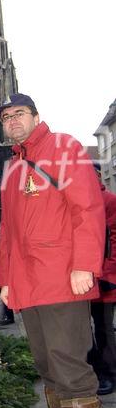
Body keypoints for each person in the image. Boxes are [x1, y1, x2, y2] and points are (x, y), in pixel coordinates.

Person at [0, 93, 105, 408]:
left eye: (19, 113)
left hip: (62, 277)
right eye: (6, 117)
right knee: (46, 365)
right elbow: (10, 230)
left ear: (36, 117)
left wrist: (84, 264)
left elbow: (87, 209)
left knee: (69, 366)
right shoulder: (13, 165)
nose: (12, 121)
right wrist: (6, 280)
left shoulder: (64, 147)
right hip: (27, 283)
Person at [88, 163, 116, 395]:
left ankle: (109, 374)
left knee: (104, 330)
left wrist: (108, 273)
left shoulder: (108, 200)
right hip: (82, 280)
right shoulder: (79, 197)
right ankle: (96, 371)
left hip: (105, 281)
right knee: (82, 331)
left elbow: (113, 239)